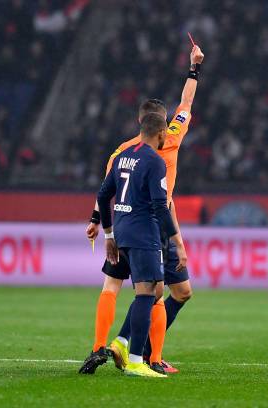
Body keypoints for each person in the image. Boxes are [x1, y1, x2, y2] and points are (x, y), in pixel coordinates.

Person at [82, 44, 204, 375]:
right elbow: (187, 103)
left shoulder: (121, 151)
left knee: (120, 287)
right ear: (162, 125)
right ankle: (149, 357)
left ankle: (104, 345)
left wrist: (97, 222)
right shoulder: (173, 138)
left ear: (140, 121)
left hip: (121, 225)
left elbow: (106, 189)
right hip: (154, 225)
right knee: (158, 291)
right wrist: (194, 67)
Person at [93, 113, 185, 378]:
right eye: (165, 134)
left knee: (151, 292)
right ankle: (135, 361)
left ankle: (121, 343)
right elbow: (160, 205)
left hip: (121, 232)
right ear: (159, 133)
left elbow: (102, 195)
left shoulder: (122, 156)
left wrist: (109, 235)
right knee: (147, 294)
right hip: (145, 234)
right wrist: (176, 242)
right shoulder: (156, 162)